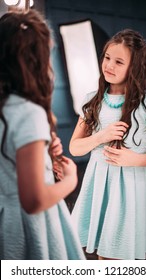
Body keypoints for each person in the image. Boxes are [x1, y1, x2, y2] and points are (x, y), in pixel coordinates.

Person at [69, 29, 146, 260]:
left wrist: (136, 159)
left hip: (131, 186)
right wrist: (100, 136)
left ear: (134, 67)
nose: (109, 65)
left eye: (118, 61)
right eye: (107, 57)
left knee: (118, 253)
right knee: (101, 255)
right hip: (97, 184)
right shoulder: (91, 100)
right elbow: (75, 148)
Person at [0, 8, 85, 260]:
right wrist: (71, 180)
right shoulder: (28, 113)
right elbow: (33, 200)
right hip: (28, 228)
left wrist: (43, 155)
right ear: (37, 61)